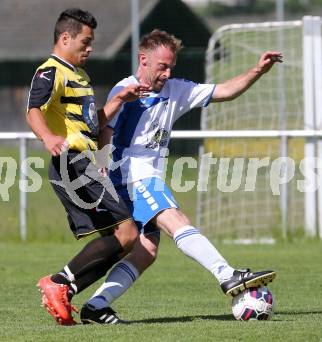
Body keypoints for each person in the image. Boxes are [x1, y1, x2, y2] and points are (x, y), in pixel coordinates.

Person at [80, 29, 282, 324]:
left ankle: (95, 307)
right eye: (162, 66)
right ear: (143, 59)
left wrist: (257, 70)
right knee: (176, 219)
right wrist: (100, 161)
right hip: (131, 176)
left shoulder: (177, 89)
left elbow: (224, 91)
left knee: (146, 251)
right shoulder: (125, 90)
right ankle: (227, 276)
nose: (167, 72)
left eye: (171, 66)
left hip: (146, 176)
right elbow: (103, 129)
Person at [26, 8, 149, 325]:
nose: (90, 48)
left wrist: (121, 98)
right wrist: (47, 136)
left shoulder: (79, 76)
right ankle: (59, 283)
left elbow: (93, 127)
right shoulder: (51, 71)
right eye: (86, 41)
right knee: (127, 232)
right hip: (72, 164)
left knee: (123, 240)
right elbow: (33, 110)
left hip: (83, 162)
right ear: (65, 38)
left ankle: (64, 289)